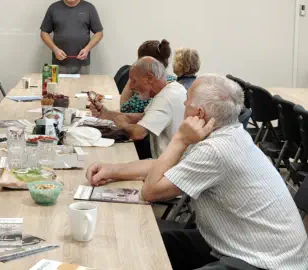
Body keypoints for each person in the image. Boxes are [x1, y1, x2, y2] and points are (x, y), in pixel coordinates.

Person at [86, 74, 308, 270]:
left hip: (268, 261)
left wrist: (179, 139)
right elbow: (163, 166)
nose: (184, 103)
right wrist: (113, 169)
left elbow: (150, 191)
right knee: (162, 242)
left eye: (187, 100)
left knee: (156, 246)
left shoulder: (215, 150)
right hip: (246, 243)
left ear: (199, 113)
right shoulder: (227, 133)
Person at [91, 57, 186, 158]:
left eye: (134, 81)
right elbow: (142, 117)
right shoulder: (173, 88)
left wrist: (122, 125)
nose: (131, 87)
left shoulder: (165, 99)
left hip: (169, 164)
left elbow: (138, 133)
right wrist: (107, 114)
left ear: (149, 78)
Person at [40, 0, 103, 75]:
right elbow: (44, 32)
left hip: (82, 63)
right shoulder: (53, 8)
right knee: (58, 85)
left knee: (83, 85)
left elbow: (99, 33)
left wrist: (87, 49)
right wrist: (55, 49)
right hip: (59, 62)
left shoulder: (89, 8)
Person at [120, 39, 177, 113]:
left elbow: (124, 109)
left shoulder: (148, 91)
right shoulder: (174, 81)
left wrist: (135, 77)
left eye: (139, 60)